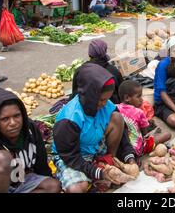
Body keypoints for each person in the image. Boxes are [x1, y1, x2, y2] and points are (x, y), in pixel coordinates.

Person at [52, 63, 137, 193]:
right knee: (77, 189)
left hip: (95, 145)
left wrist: (129, 156)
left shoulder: (106, 104)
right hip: (74, 156)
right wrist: (97, 172)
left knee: (117, 118)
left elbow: (123, 131)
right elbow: (70, 156)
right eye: (101, 100)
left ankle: (109, 159)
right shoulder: (69, 119)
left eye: (107, 99)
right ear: (88, 94)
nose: (104, 104)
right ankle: (98, 170)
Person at [117, 80, 170, 157]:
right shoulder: (139, 112)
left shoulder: (116, 108)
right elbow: (145, 135)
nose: (141, 99)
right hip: (138, 149)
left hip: (123, 150)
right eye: (138, 96)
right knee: (167, 135)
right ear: (127, 98)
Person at [72, 39, 123, 104]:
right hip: (110, 107)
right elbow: (121, 92)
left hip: (84, 106)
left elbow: (75, 93)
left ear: (89, 53)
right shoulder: (113, 70)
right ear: (105, 51)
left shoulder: (80, 70)